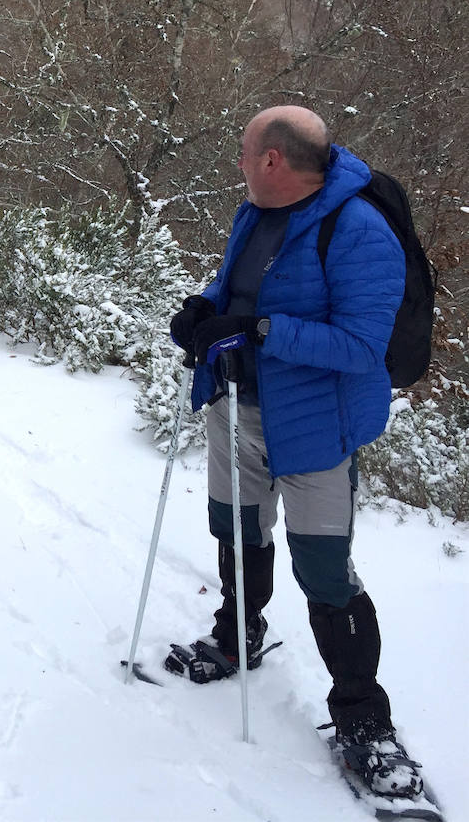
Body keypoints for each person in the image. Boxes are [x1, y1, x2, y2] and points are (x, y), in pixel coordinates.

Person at [166, 105, 423, 799]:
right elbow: (236, 287)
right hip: (236, 409)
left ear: (273, 159)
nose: (240, 161)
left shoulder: (359, 231)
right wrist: (204, 307)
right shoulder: (256, 211)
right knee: (237, 529)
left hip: (315, 429)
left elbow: (360, 347)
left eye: (245, 150)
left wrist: (260, 330)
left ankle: (364, 717)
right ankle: (236, 634)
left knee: (325, 570)